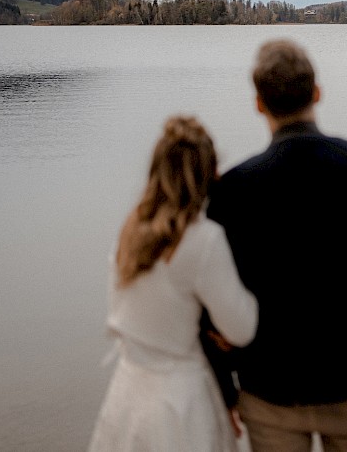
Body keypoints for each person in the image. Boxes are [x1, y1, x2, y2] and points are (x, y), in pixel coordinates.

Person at [206, 39, 347, 452]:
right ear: (317, 93)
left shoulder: (233, 189)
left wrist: (224, 384)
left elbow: (208, 298)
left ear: (258, 103)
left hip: (267, 389)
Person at [88, 116, 259, 452]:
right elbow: (242, 327)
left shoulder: (130, 229)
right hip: (182, 402)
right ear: (209, 174)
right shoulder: (203, 239)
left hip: (128, 392)